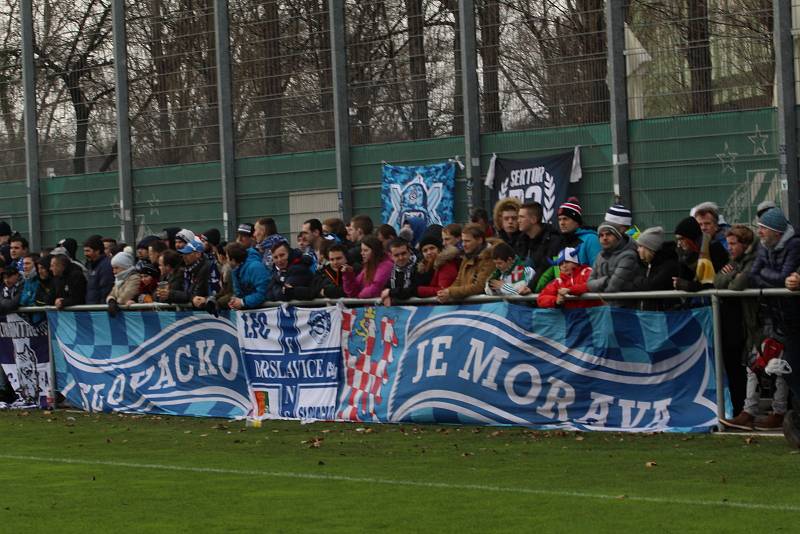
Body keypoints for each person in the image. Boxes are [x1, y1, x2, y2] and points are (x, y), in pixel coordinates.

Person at [748, 208, 800, 439]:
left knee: (791, 368)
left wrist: (772, 278)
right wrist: (775, 278)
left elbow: (782, 277)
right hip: (783, 320)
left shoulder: (795, 245)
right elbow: (753, 274)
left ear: (776, 232)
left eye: (763, 228)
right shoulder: (764, 247)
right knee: (789, 370)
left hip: (794, 317)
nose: (759, 232)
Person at [713, 225, 758, 417]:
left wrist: (731, 277)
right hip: (743, 322)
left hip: (756, 320)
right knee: (748, 368)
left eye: (733, 244)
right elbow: (718, 281)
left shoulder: (755, 260)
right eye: (727, 244)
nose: (729, 248)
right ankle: (744, 410)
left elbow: (738, 284)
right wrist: (732, 275)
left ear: (745, 244)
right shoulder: (734, 262)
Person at [586, 222, 643, 305]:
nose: (604, 238)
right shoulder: (600, 256)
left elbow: (613, 287)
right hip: (607, 309)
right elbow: (589, 284)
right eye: (601, 235)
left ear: (618, 237)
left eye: (608, 234)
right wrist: (605, 281)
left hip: (627, 309)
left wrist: (599, 286)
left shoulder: (629, 255)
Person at [437, 223, 494, 303]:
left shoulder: (489, 258)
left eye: (467, 241)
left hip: (484, 307)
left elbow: (479, 286)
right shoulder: (466, 257)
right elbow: (458, 280)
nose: (464, 245)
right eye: (463, 241)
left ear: (479, 240)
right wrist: (447, 291)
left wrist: (451, 292)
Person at [515, 201, 562, 291]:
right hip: (520, 290)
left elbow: (545, 267)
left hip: (541, 293)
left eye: (521, 217)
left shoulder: (552, 240)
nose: (518, 221)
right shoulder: (521, 240)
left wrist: (529, 287)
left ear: (533, 219)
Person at [632, 226, 680, 310]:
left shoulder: (669, 265)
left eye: (640, 246)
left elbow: (652, 286)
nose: (638, 250)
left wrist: (635, 280)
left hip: (664, 315)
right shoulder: (647, 264)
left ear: (649, 248)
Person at [537, 247, 601, 309]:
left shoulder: (587, 271)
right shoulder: (558, 282)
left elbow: (590, 285)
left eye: (567, 262)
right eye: (561, 264)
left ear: (576, 263)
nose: (564, 266)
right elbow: (541, 299)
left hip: (593, 315)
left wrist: (570, 290)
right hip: (572, 318)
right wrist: (555, 301)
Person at [672, 217, 718, 292]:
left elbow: (717, 282)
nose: (679, 243)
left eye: (682, 239)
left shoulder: (713, 248)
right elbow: (685, 279)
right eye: (678, 239)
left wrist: (689, 286)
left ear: (691, 237)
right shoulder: (684, 254)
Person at [557, 197, 601, 267]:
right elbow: (558, 271)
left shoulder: (591, 239)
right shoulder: (559, 242)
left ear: (576, 221)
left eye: (565, 219)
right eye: (559, 219)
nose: (562, 223)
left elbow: (598, 270)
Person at [225, 242, 270, 309]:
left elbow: (263, 292)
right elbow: (239, 293)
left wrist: (243, 302)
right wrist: (235, 301)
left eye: (227, 258)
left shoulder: (255, 267)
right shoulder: (236, 270)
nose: (227, 261)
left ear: (233, 260)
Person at [416, 234, 459, 298]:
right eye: (425, 250)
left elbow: (443, 290)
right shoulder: (425, 268)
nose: (429, 252)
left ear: (439, 249)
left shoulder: (446, 265)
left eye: (432, 248)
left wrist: (418, 290)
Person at [381, 238, 419, 306]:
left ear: (409, 252)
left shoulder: (418, 267)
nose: (401, 258)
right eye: (396, 255)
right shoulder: (392, 270)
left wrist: (390, 292)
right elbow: (385, 287)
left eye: (403, 253)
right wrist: (387, 296)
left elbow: (412, 290)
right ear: (391, 256)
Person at [84, 234, 114, 304]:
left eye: (88, 251)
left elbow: (106, 290)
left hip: (100, 310)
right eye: (85, 251)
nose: (85, 254)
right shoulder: (90, 265)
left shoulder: (106, 266)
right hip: (93, 309)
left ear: (97, 251)